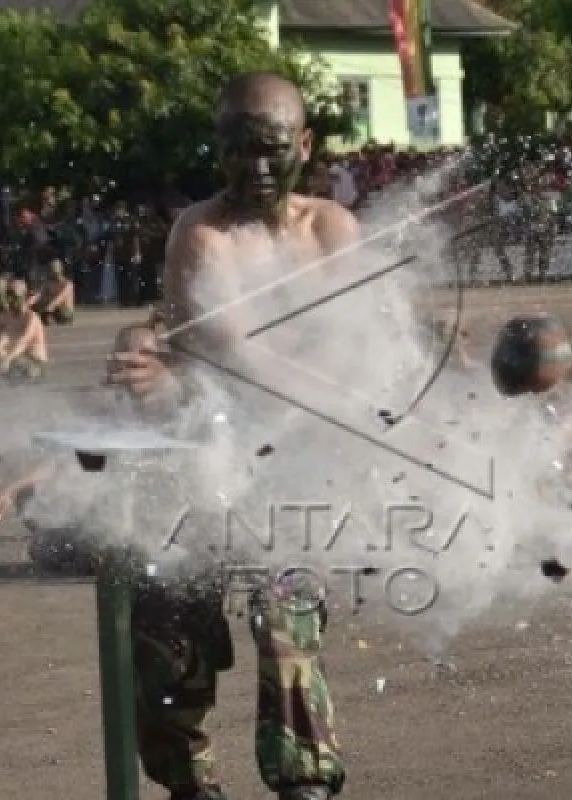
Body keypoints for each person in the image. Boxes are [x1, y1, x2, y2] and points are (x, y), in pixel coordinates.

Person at [108, 71, 350, 800]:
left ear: (304, 145)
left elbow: (351, 352)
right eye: (239, 150)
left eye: (273, 148)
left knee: (286, 622)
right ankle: (191, 785)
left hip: (295, 465)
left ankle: (304, 783)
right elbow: (221, 348)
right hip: (203, 462)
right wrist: (170, 377)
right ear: (218, 150)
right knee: (170, 634)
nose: (257, 167)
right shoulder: (201, 231)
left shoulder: (332, 231)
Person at [28, 258, 75, 326]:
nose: (53, 271)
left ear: (61, 269)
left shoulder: (68, 284)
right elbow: (38, 294)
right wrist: (28, 304)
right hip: (51, 309)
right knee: (35, 306)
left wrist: (47, 309)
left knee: (59, 311)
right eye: (52, 269)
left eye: (55, 269)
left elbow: (59, 298)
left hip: (64, 312)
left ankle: (47, 317)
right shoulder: (48, 283)